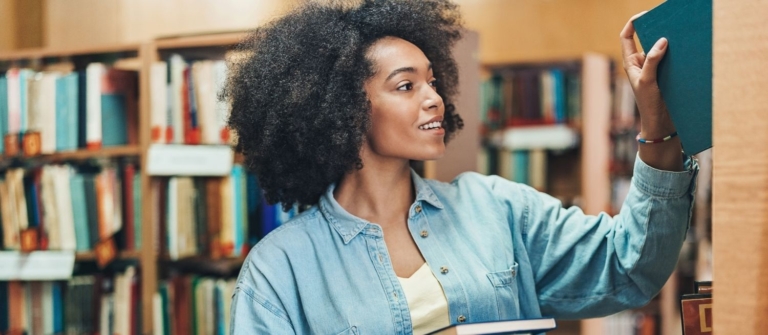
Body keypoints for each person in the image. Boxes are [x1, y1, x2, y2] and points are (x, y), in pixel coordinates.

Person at [224, 1, 698, 334]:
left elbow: (629, 266)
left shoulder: (495, 208)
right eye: (405, 86)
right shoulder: (280, 268)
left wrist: (658, 128)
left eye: (432, 80)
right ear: (343, 108)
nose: (434, 98)